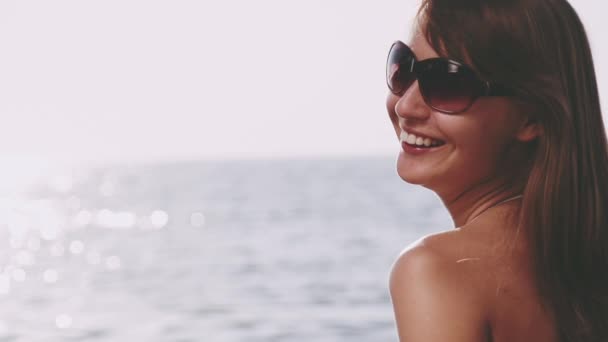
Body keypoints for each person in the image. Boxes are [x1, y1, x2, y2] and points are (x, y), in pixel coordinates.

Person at [385, 0, 608, 341]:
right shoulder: (583, 264)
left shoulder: (434, 270)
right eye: (404, 68)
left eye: (448, 82)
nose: (405, 106)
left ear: (531, 117)